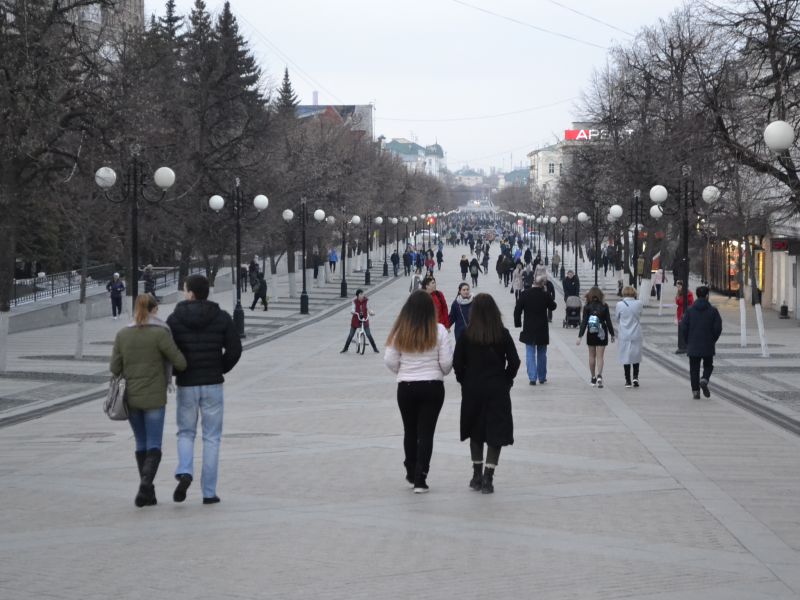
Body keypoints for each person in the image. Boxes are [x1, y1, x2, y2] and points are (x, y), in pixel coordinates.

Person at [167, 274, 243, 505]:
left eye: (184, 289)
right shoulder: (221, 317)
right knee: (211, 438)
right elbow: (234, 349)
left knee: (186, 432)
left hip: (187, 384)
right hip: (213, 384)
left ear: (190, 293)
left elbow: (168, 351)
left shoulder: (175, 319)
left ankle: (185, 469)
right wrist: (220, 367)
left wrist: (177, 372)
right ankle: (209, 493)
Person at [110, 294, 186, 507]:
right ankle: (145, 486)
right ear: (154, 309)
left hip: (131, 398)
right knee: (154, 444)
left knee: (141, 443)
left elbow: (114, 368)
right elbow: (179, 361)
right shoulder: (160, 333)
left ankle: (148, 492)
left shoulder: (123, 334)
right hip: (154, 398)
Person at [384, 291, 453, 493]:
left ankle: (411, 467)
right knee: (426, 432)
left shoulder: (400, 331)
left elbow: (389, 360)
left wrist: (403, 371)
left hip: (406, 387)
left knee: (410, 430)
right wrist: (437, 371)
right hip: (432, 386)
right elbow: (447, 364)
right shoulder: (439, 331)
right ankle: (421, 478)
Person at [453, 294, 520, 494]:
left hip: (473, 388)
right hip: (497, 388)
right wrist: (506, 379)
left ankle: (476, 475)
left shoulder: (466, 334)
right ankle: (488, 478)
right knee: (495, 431)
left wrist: (464, 380)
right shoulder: (502, 333)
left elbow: (457, 363)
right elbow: (515, 362)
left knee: (476, 429)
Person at [514, 271, 557, 385]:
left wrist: (517, 323)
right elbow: (553, 307)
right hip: (542, 328)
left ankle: (532, 378)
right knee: (542, 353)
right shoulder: (545, 294)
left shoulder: (524, 294)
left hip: (529, 328)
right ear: (543, 284)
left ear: (533, 282)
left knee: (530, 352)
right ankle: (542, 377)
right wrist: (547, 294)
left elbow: (517, 310)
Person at [679, 286, 722, 399]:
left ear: (697, 295)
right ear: (707, 295)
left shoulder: (689, 310)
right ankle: (704, 379)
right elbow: (718, 328)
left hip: (693, 345)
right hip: (708, 344)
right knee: (708, 365)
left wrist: (688, 340)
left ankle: (695, 391)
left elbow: (683, 327)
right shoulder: (713, 311)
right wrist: (712, 339)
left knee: (694, 368)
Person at [576, 286, 615, 388]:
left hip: (591, 333)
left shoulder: (587, 306)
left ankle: (593, 377)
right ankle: (599, 375)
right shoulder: (604, 306)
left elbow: (584, 322)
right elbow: (608, 321)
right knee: (600, 356)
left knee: (591, 356)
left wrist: (580, 336)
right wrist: (612, 334)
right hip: (602, 333)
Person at [615, 286, 643, 388]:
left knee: (625, 356)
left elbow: (617, 318)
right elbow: (640, 314)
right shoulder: (639, 303)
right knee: (636, 356)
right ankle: (635, 377)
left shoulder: (619, 304)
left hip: (624, 334)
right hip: (636, 333)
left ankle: (628, 380)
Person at [341, 289, 379, 353]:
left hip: (364, 319)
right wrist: (353, 311)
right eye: (360, 294)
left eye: (363, 294)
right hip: (356, 319)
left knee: (368, 334)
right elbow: (353, 308)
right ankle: (345, 348)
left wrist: (371, 312)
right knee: (351, 335)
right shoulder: (354, 301)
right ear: (357, 295)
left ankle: (375, 348)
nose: (362, 295)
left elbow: (369, 308)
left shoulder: (366, 301)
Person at [675, 280, 694, 354]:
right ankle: (682, 345)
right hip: (680, 313)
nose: (678, 288)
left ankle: (685, 345)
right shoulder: (680, 293)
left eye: (679, 286)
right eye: (677, 286)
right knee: (681, 329)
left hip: (686, 313)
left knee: (685, 330)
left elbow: (680, 301)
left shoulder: (688, 294)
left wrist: (678, 298)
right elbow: (677, 301)